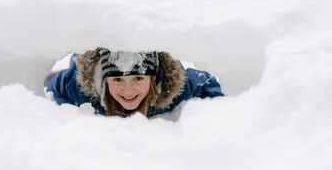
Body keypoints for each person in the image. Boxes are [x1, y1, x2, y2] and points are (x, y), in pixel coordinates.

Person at [44, 47, 224, 118]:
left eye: (138, 78)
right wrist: (72, 116)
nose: (128, 90)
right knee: (54, 77)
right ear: (105, 80)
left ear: (154, 78)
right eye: (117, 79)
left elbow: (207, 83)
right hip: (82, 67)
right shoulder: (81, 88)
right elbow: (54, 89)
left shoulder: (175, 89)